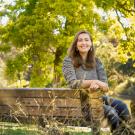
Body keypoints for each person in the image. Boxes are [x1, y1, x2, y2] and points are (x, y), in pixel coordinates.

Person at [62, 30, 130, 133]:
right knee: (112, 113)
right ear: (76, 45)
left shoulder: (97, 61)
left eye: (86, 40)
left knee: (122, 106)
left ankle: (126, 132)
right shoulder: (68, 61)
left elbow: (106, 86)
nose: (83, 43)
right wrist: (94, 81)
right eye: (80, 40)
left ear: (91, 44)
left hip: (98, 97)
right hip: (81, 101)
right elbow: (73, 83)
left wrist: (97, 86)